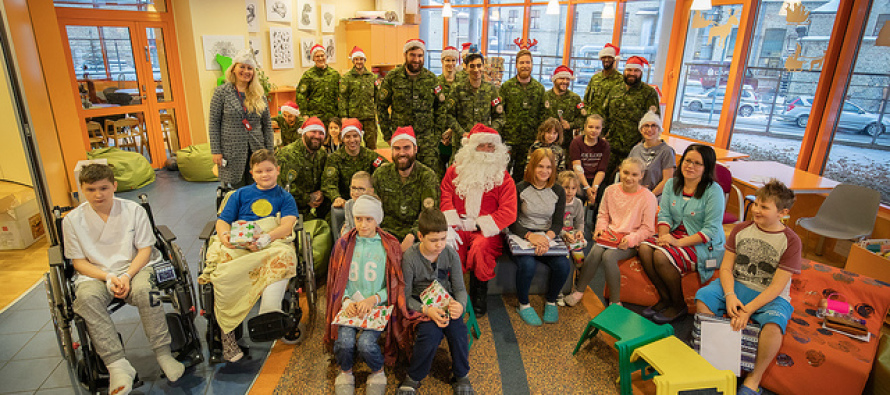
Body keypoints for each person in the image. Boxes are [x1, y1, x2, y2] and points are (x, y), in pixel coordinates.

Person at [63, 164, 186, 395]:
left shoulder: (133, 210)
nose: (98, 195)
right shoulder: (71, 221)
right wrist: (108, 276)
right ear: (82, 189)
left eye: (103, 188)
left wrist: (127, 275)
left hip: (136, 268)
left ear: (114, 186)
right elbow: (78, 263)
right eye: (90, 190)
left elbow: (145, 250)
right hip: (95, 274)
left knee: (146, 293)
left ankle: (164, 355)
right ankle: (117, 366)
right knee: (86, 300)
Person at [695, 180, 799, 395]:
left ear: (783, 212)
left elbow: (778, 286)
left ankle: (754, 378)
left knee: (773, 325)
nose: (756, 210)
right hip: (738, 284)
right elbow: (725, 268)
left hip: (770, 295)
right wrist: (730, 295)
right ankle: (717, 358)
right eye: (755, 204)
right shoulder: (741, 229)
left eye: (764, 207)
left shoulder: (791, 241)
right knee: (704, 297)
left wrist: (748, 309)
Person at [198, 149, 300, 362]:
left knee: (285, 255)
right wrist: (226, 236)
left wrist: (266, 238)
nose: (265, 174)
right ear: (252, 173)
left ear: (277, 171)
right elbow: (223, 221)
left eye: (269, 170)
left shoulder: (285, 197)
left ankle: (269, 310)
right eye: (259, 171)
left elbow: (288, 225)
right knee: (222, 272)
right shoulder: (239, 195)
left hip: (270, 240)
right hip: (240, 241)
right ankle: (228, 338)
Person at [324, 195, 408, 395]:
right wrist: (345, 301)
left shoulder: (389, 246)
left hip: (377, 307)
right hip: (350, 306)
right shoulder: (343, 244)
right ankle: (345, 371)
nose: (363, 224)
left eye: (369, 219)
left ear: (378, 219)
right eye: (359, 218)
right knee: (344, 342)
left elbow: (395, 286)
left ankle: (378, 371)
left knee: (366, 344)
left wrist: (374, 299)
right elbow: (336, 281)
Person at [638, 144, 725, 324]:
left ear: (706, 167)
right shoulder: (672, 184)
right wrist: (663, 237)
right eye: (687, 161)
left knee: (661, 257)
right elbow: (664, 215)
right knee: (645, 249)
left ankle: (679, 305)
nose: (690, 166)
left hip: (704, 244)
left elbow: (711, 230)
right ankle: (665, 299)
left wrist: (676, 244)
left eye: (697, 163)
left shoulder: (713, 191)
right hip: (675, 235)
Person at [440, 124, 517, 316]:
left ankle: (478, 292)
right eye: (482, 145)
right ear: (471, 147)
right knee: (449, 247)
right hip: (457, 224)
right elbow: (445, 195)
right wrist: (450, 224)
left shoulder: (503, 178)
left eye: (491, 146)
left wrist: (479, 224)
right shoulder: (454, 171)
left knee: (481, 249)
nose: (487, 151)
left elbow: (509, 211)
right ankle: (450, 291)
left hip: (485, 230)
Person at [398, 209, 473, 395]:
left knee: (459, 332)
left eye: (443, 239)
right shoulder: (410, 258)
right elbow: (405, 297)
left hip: (445, 302)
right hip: (421, 305)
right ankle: (414, 377)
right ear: (420, 236)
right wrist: (426, 310)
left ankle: (461, 374)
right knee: (429, 335)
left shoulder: (450, 254)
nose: (439, 245)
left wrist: (460, 306)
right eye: (433, 240)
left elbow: (461, 290)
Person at [564, 158, 657, 307]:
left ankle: (615, 301)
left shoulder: (648, 197)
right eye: (626, 173)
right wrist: (600, 229)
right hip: (610, 235)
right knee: (594, 252)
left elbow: (648, 229)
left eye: (634, 174)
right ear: (620, 170)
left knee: (608, 257)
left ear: (641, 175)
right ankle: (579, 291)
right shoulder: (610, 190)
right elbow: (603, 215)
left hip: (630, 240)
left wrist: (631, 239)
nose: (629, 178)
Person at [510, 148, 571, 326]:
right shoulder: (519, 188)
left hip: (547, 234)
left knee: (562, 265)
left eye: (549, 167)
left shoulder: (558, 191)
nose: (544, 171)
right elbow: (512, 222)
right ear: (532, 166)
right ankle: (523, 305)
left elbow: (558, 223)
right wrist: (531, 236)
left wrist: (545, 238)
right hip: (522, 233)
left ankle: (551, 300)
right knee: (527, 266)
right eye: (540, 166)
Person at [209, 49, 274, 188]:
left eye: (250, 68)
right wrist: (216, 150)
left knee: (259, 185)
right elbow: (214, 123)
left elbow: (267, 125)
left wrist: (269, 152)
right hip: (231, 150)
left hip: (257, 148)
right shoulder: (221, 93)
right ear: (233, 69)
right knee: (238, 189)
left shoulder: (259, 94)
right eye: (242, 67)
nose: (246, 71)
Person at [377, 39, 444, 175]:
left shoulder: (431, 79)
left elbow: (441, 108)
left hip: (427, 140)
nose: (416, 59)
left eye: (420, 56)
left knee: (429, 176)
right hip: (402, 139)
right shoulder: (392, 78)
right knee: (403, 176)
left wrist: (436, 135)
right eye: (412, 55)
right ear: (405, 55)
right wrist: (388, 135)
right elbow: (381, 107)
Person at [372, 126, 441, 251]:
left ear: (415, 149)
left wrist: (411, 236)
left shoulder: (427, 176)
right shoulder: (380, 174)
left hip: (416, 237)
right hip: (383, 235)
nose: (402, 153)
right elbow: (372, 207)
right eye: (397, 148)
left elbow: (428, 214)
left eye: (406, 148)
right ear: (391, 151)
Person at [324, 118, 388, 240]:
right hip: (344, 204)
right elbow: (328, 183)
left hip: (367, 203)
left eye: (355, 136)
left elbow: (386, 169)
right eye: (348, 136)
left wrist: (376, 195)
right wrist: (336, 197)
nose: (352, 140)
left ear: (361, 137)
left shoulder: (370, 156)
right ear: (343, 138)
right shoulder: (335, 159)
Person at [601, 55, 661, 183]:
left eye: (636, 71)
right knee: (604, 179)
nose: (632, 73)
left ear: (641, 72)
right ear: (624, 71)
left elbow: (654, 121)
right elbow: (604, 114)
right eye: (629, 70)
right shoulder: (615, 89)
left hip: (634, 148)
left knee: (627, 181)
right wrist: (602, 135)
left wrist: (645, 141)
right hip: (611, 146)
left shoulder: (648, 93)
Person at [439, 52, 504, 154]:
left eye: (479, 66)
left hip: (483, 145)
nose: (476, 70)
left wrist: (489, 133)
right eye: (472, 66)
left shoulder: (491, 89)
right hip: (462, 144)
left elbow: (500, 117)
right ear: (466, 68)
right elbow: (448, 115)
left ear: (483, 67)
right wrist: (462, 133)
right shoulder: (457, 88)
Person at [500, 43, 545, 181]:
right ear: (516, 65)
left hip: (529, 141)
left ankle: (518, 201)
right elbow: (500, 113)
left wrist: (539, 138)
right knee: (502, 172)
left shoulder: (539, 88)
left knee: (522, 175)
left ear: (532, 64)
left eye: (528, 62)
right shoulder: (507, 87)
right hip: (509, 139)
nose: (525, 65)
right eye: (522, 63)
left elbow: (542, 115)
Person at [276, 117, 329, 220]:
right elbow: (284, 187)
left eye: (321, 133)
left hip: (319, 207)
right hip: (293, 209)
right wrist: (308, 198)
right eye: (313, 132)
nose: (317, 136)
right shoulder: (287, 154)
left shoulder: (322, 154)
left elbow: (326, 178)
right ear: (304, 133)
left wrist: (321, 194)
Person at [339, 46, 380, 149]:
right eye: (356, 59)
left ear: (364, 60)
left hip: (369, 116)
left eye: (361, 59)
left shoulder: (371, 76)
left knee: (371, 144)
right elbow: (343, 98)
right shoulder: (346, 78)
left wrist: (376, 111)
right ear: (353, 61)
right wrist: (344, 116)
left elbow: (377, 96)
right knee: (353, 144)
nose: (359, 61)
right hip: (353, 117)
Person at [628, 109, 675, 197]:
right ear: (641, 130)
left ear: (659, 130)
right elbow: (627, 172)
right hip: (634, 193)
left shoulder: (666, 151)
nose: (649, 129)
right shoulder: (636, 149)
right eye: (646, 125)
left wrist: (649, 196)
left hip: (655, 196)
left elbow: (667, 180)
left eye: (654, 126)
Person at [556, 170, 586, 306]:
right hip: (557, 235)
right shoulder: (556, 201)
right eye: (566, 187)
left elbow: (580, 222)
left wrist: (580, 232)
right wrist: (563, 234)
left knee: (579, 258)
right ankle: (558, 291)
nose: (569, 191)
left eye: (573, 188)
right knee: (563, 262)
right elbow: (552, 223)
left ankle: (578, 284)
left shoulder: (578, 203)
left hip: (572, 236)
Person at [569, 115, 610, 204]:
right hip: (579, 178)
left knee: (603, 196)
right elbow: (577, 168)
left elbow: (601, 170)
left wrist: (595, 187)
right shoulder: (576, 142)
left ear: (601, 129)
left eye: (597, 128)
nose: (593, 130)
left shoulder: (605, 145)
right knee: (578, 195)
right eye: (590, 127)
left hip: (596, 179)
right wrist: (587, 188)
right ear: (585, 127)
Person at [543, 65, 586, 151]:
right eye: (562, 78)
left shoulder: (575, 98)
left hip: (566, 146)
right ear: (555, 79)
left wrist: (570, 125)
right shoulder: (544, 97)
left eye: (567, 79)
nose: (565, 82)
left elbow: (583, 119)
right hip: (546, 144)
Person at [296, 44, 340, 125]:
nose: (320, 58)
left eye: (322, 55)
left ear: (326, 56)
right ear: (313, 58)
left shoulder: (335, 74)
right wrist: (305, 114)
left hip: (333, 116)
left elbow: (341, 95)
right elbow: (301, 96)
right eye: (317, 56)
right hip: (315, 117)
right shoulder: (308, 75)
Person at [437, 45, 461, 168]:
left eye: (453, 60)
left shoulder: (462, 84)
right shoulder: (435, 83)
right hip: (439, 134)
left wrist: (452, 130)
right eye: (447, 60)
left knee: (455, 172)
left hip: (457, 134)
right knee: (439, 171)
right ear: (442, 61)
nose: (450, 63)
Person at [584, 43, 623, 116]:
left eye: (609, 57)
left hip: (610, 122)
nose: (607, 60)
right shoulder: (595, 78)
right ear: (601, 58)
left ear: (614, 59)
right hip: (593, 120)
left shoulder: (621, 79)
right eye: (604, 57)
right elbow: (586, 99)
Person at [340, 171, 375, 236]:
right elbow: (348, 226)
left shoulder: (375, 206)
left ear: (371, 191)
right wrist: (345, 238)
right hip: (352, 239)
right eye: (353, 188)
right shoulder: (349, 204)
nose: (356, 192)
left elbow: (375, 230)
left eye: (361, 189)